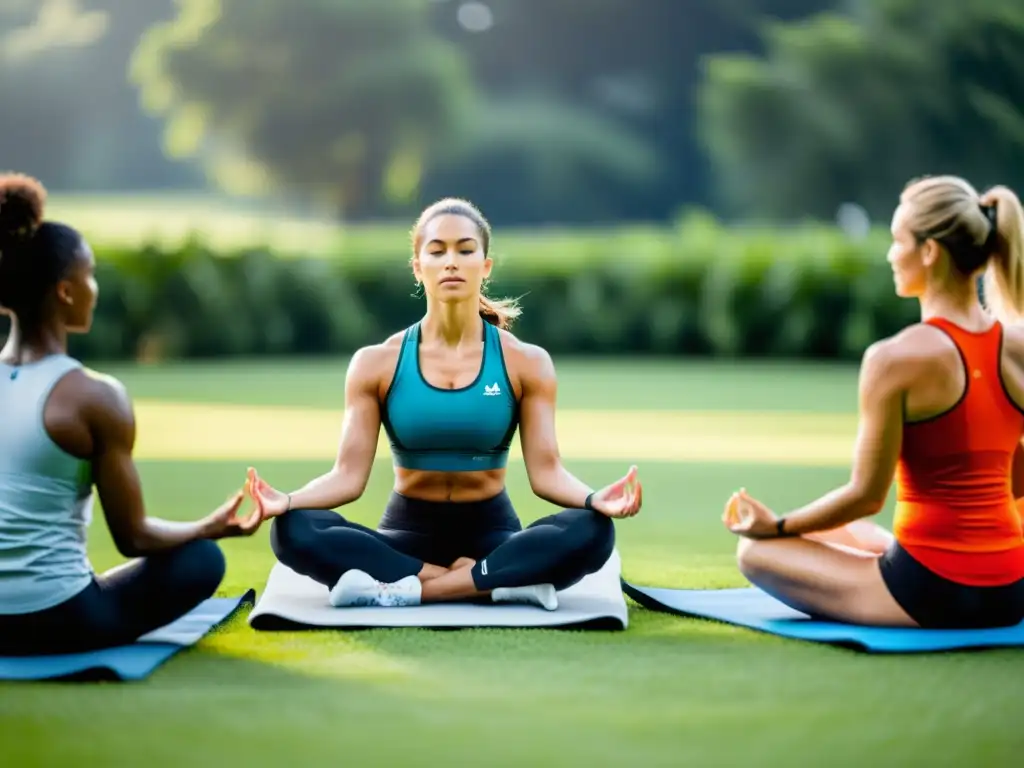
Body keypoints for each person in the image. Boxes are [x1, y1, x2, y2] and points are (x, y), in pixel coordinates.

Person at [248, 197, 642, 610]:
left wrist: (594, 500)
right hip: (405, 538)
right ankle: (493, 581)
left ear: (485, 265)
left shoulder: (526, 362)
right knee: (292, 530)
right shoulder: (375, 363)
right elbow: (347, 477)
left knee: (593, 530)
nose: (451, 261)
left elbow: (547, 474)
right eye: (436, 251)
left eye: (465, 249)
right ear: (418, 267)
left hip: (493, 532)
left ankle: (407, 589)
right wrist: (288, 501)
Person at [723, 175, 1024, 630]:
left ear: (929, 252)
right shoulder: (1017, 344)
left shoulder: (893, 358)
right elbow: (1017, 481)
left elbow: (866, 495)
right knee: (845, 535)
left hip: (930, 591)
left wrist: (776, 526)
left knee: (756, 552)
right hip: (1010, 588)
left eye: (896, 240)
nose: (889, 254)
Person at [0, 173, 264, 656]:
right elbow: (134, 536)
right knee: (202, 560)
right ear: (65, 292)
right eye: (89, 274)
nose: (94, 288)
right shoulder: (94, 396)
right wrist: (208, 526)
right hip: (60, 619)